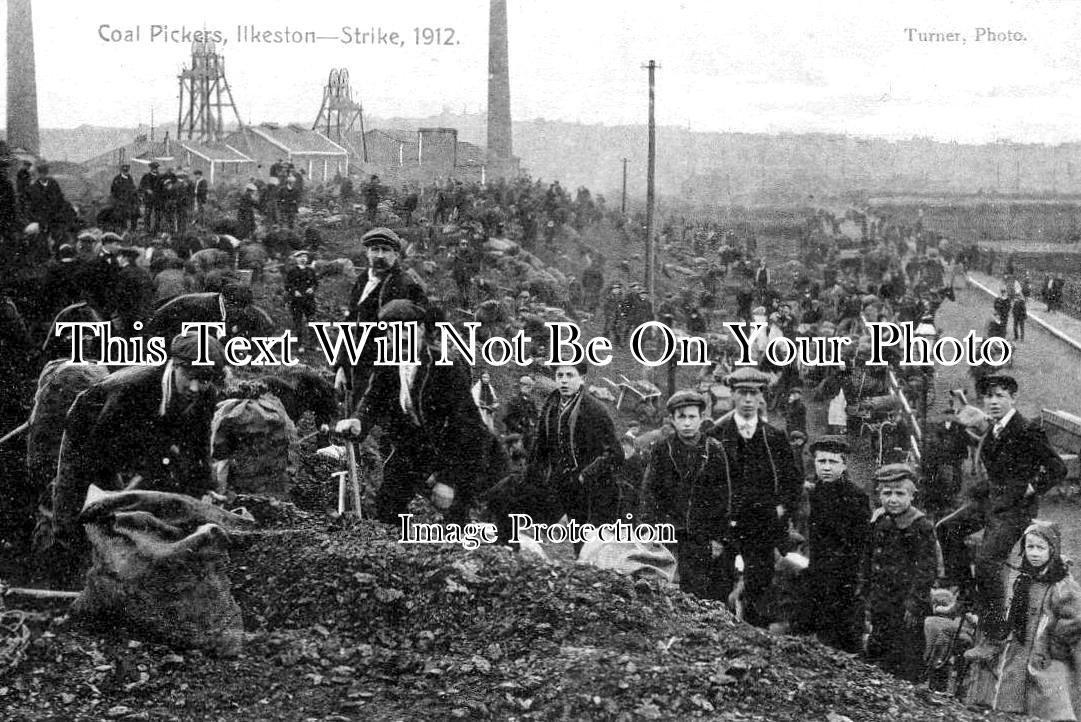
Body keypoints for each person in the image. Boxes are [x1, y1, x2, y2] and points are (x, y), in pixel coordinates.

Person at [38, 332, 227, 574]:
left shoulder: (205, 394)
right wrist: (106, 490)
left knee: (133, 500)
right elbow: (100, 446)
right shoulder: (133, 387)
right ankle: (65, 566)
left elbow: (199, 443)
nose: (195, 387)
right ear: (175, 365)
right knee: (74, 507)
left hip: (144, 437)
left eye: (204, 381)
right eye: (190, 377)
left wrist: (203, 483)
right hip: (88, 430)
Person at [938, 374, 1066, 663]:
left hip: (1016, 509)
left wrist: (1029, 489)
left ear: (1012, 398)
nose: (993, 402)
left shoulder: (1027, 429)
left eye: (1000, 396)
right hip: (992, 501)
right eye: (988, 397)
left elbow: (1057, 468)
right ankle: (966, 596)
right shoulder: (994, 429)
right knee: (946, 528)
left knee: (987, 560)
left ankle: (994, 635)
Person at [336, 301, 496, 525]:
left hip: (457, 451)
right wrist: (359, 421)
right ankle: (396, 555)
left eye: (406, 329)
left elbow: (465, 426)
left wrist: (447, 480)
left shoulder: (446, 366)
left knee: (453, 518)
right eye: (392, 330)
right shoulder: (388, 357)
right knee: (387, 505)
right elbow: (373, 398)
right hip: (413, 447)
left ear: (421, 330)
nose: (400, 337)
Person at [706, 366, 803, 628]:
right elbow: (706, 483)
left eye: (754, 394)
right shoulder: (716, 436)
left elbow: (792, 480)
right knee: (721, 585)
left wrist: (782, 508)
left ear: (761, 397)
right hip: (727, 525)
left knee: (759, 585)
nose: (748, 400)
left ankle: (755, 643)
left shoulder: (774, 437)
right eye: (742, 393)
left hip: (763, 526)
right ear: (732, 396)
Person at [970, 521, 1081, 720]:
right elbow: (1015, 611)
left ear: (1052, 551)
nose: (1034, 553)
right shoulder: (1025, 578)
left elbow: (1074, 619)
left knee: (1051, 696)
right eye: (1030, 547)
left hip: (1049, 650)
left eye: (1041, 548)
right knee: (1014, 689)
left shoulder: (1061, 585)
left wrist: (1055, 644)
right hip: (1022, 645)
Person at [638, 390, 732, 600]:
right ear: (672, 420)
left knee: (696, 590)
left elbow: (723, 495)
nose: (687, 423)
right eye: (682, 417)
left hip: (700, 534)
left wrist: (719, 537)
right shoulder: (663, 449)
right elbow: (649, 490)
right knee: (663, 587)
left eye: (692, 417)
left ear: (701, 419)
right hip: (668, 530)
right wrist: (647, 527)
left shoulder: (714, 450)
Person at [863, 463, 938, 682]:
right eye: (887, 493)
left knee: (906, 655)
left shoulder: (920, 526)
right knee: (879, 648)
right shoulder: (879, 521)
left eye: (899, 493)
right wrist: (866, 590)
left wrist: (914, 603)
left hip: (906, 606)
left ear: (912, 495)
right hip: (882, 601)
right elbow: (869, 558)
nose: (892, 499)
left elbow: (926, 569)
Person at [525, 361, 622, 531]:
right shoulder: (550, 407)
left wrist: (585, 475)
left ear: (582, 379)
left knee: (589, 544)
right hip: (561, 484)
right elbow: (540, 447)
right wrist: (536, 475)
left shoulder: (595, 410)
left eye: (570, 375)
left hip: (593, 487)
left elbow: (615, 453)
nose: (564, 381)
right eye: (559, 375)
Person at [333, 227, 428, 397]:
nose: (380, 255)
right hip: (357, 368)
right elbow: (348, 325)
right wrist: (341, 365)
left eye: (386, 250)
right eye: (374, 250)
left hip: (387, 372)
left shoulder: (406, 284)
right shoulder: (362, 280)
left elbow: (419, 328)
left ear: (396, 255)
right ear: (367, 253)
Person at [799, 436, 870, 653]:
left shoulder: (856, 496)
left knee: (844, 634)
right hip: (816, 571)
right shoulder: (811, 492)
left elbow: (862, 542)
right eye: (822, 462)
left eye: (833, 462)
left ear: (844, 464)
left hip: (844, 576)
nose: (827, 467)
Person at [284, 250, 318, 352]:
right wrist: (294, 291)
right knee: (298, 323)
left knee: (312, 322)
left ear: (307, 259)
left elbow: (316, 283)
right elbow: (287, 285)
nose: (303, 259)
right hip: (297, 301)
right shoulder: (292, 271)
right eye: (300, 257)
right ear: (296, 259)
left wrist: (312, 288)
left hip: (309, 300)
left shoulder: (311, 271)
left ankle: (313, 345)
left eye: (305, 257)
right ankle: (300, 345)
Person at [502, 375, 538, 450]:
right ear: (521, 386)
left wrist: (533, 423)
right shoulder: (514, 400)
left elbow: (535, 415)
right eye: (526, 386)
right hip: (515, 432)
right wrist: (518, 427)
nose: (528, 389)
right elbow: (507, 418)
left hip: (528, 433)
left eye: (530, 387)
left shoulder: (531, 401)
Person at [109, 163, 139, 233]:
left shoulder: (129, 178)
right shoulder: (117, 179)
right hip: (121, 201)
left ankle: (133, 230)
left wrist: (135, 196)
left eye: (127, 170)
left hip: (130, 201)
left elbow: (132, 188)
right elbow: (113, 191)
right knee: (122, 215)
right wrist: (117, 200)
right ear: (121, 170)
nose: (126, 172)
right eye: (124, 170)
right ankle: (123, 229)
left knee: (135, 213)